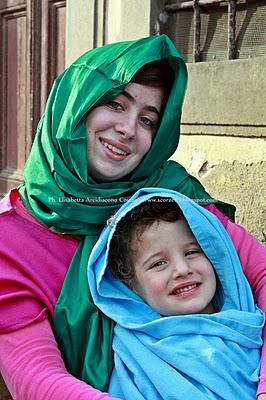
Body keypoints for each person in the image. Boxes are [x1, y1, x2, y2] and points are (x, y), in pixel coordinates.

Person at [0, 34, 265, 400]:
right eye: (114, 103)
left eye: (147, 120)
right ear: (75, 105)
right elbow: (35, 374)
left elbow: (261, 276)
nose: (127, 129)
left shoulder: (176, 197)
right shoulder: (10, 240)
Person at [88, 188, 265, 399]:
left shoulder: (252, 326)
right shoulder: (137, 357)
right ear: (130, 284)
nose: (182, 269)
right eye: (159, 263)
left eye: (192, 252)